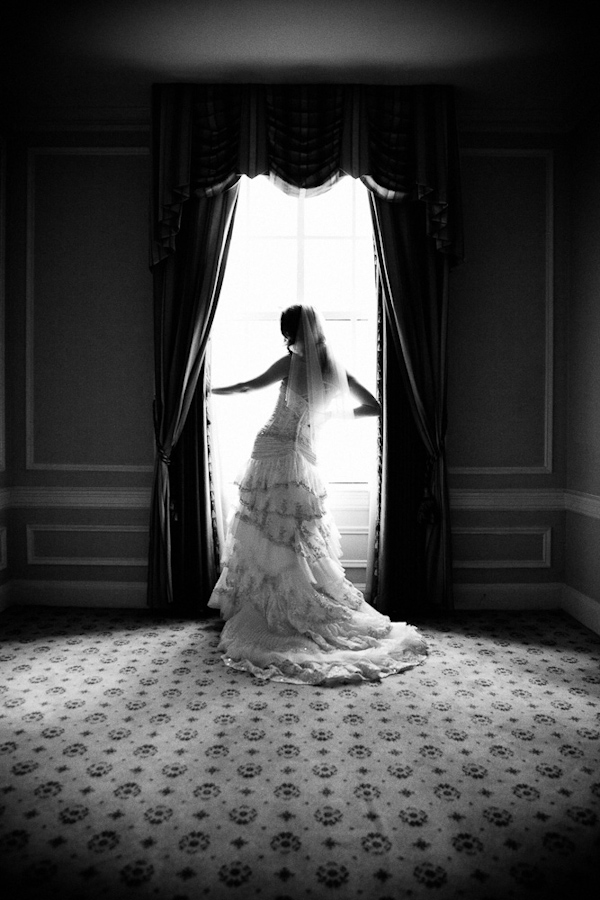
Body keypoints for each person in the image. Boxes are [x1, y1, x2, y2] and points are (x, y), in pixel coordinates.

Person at [208, 304, 427, 685]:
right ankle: (286, 604)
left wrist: (209, 389)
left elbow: (246, 386)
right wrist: (332, 416)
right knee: (297, 538)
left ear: (293, 334)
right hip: (303, 460)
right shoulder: (334, 370)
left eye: (287, 334)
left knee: (266, 533)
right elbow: (373, 406)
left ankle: (269, 610)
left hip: (272, 451)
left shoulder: (289, 363)